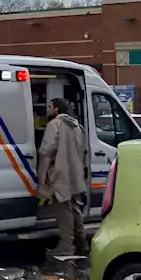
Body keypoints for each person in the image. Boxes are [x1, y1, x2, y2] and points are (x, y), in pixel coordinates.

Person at [38, 98, 88, 258]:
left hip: (60, 174)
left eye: (50, 106)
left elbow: (47, 151)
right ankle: (82, 244)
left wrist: (42, 175)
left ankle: (66, 247)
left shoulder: (55, 125)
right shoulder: (77, 126)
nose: (47, 109)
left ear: (57, 109)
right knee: (75, 209)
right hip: (75, 173)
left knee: (63, 211)